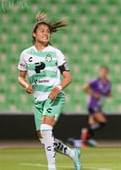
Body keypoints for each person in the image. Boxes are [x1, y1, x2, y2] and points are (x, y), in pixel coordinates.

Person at [17, 12, 81, 170]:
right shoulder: (25, 54)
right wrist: (26, 85)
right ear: (34, 34)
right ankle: (72, 153)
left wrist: (58, 87)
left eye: (48, 31)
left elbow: (68, 77)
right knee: (44, 138)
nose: (46, 34)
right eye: (42, 31)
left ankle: (51, 167)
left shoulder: (56, 53)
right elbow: (20, 77)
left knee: (46, 129)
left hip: (55, 97)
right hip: (38, 100)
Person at [81, 65, 112, 147]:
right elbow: (84, 87)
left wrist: (108, 94)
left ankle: (85, 141)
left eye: (105, 72)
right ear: (100, 72)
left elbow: (107, 93)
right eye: (102, 71)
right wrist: (93, 94)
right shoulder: (96, 81)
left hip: (99, 106)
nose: (104, 73)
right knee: (103, 122)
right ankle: (86, 132)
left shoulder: (108, 83)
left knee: (93, 123)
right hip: (93, 104)